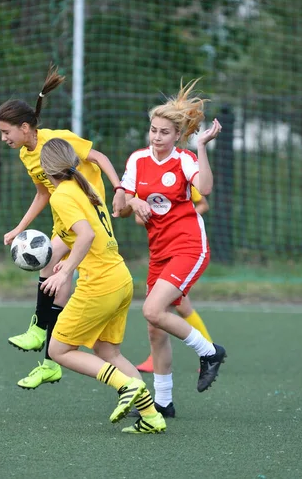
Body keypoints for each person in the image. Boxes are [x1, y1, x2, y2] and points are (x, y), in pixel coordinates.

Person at [0, 65, 126, 389]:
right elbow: (42, 192)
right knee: (52, 271)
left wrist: (120, 187)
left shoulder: (56, 142)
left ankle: (41, 333)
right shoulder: (26, 154)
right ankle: (50, 356)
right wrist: (18, 228)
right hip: (63, 214)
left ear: (25, 127)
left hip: (82, 211)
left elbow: (98, 157)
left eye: (6, 131)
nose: (3, 138)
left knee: (55, 268)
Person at [39, 137, 166, 434]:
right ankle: (151, 415)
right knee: (108, 352)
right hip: (119, 278)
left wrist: (64, 272)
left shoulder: (61, 196)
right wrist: (69, 261)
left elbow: (85, 236)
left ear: (46, 170)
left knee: (58, 350)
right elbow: (87, 235)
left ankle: (126, 386)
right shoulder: (86, 186)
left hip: (100, 284)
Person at [117, 79, 226, 419]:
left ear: (177, 136)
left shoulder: (184, 159)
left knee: (152, 311)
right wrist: (133, 201)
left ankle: (210, 352)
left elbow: (205, 188)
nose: (157, 137)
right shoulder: (137, 160)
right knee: (154, 328)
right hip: (159, 250)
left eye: (164, 132)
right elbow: (119, 206)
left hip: (189, 246)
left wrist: (203, 147)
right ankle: (163, 403)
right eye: (153, 130)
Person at [134, 185, 213, 374]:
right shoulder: (140, 181)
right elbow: (138, 217)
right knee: (177, 307)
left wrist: (178, 217)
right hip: (161, 248)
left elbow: (203, 204)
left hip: (182, 247)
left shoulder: (178, 178)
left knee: (178, 307)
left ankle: (208, 351)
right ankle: (206, 352)